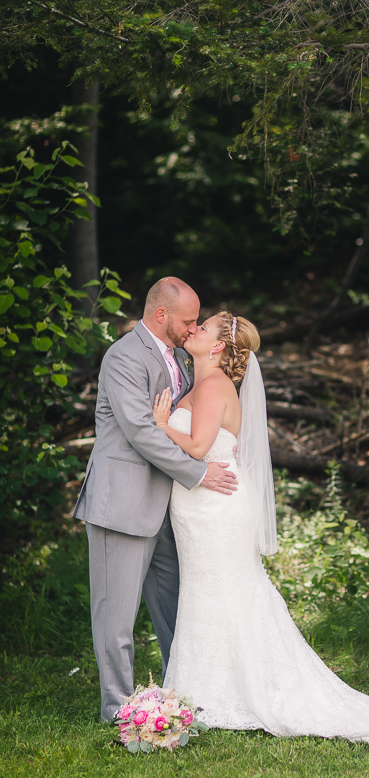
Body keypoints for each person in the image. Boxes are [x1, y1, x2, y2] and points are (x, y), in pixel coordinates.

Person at [152, 310, 369, 750]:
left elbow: (199, 446)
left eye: (203, 327)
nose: (194, 329)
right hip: (200, 507)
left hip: (216, 509)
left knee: (225, 589)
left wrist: (162, 425)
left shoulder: (212, 385)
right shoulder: (203, 383)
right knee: (208, 592)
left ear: (219, 345)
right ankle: (207, 688)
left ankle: (236, 690)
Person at [73, 277, 238, 722]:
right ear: (161, 314)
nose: (193, 328)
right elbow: (142, 431)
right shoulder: (124, 356)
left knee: (178, 608)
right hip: (122, 506)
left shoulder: (183, 358)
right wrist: (201, 472)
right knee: (116, 618)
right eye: (187, 321)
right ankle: (119, 709)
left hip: (169, 509)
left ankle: (182, 693)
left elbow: (185, 421)